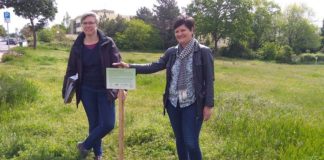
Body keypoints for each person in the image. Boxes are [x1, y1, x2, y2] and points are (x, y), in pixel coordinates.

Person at [113, 15, 214, 160]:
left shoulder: (203, 52)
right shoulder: (172, 52)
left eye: (183, 30)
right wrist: (129, 66)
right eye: (177, 31)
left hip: (193, 103)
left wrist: (208, 105)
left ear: (192, 30)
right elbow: (154, 66)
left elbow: (210, 80)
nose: (179, 34)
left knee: (191, 142)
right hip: (173, 103)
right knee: (180, 140)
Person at [62, 12, 125, 160]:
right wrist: (66, 90)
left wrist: (123, 88)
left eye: (91, 22)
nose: (88, 26)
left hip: (106, 89)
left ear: (97, 24)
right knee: (94, 122)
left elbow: (118, 65)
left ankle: (84, 145)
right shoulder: (77, 45)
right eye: (85, 23)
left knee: (108, 124)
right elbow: (71, 69)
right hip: (86, 90)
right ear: (81, 26)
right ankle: (98, 154)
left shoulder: (108, 43)